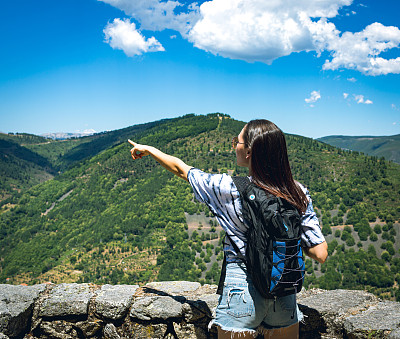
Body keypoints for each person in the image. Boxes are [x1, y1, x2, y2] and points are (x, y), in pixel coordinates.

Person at [129, 119, 328, 339]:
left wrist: (148, 150)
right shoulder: (297, 192)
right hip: (283, 292)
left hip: (242, 290)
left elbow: (181, 170)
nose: (234, 146)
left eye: (237, 141)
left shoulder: (230, 188)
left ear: (249, 151)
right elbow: (320, 253)